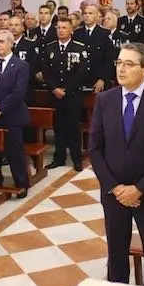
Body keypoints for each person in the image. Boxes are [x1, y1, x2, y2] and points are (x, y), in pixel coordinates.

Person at [89, 42, 144, 286]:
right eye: (119, 63)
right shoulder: (105, 100)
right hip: (114, 194)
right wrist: (115, 187)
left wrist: (139, 189)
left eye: (129, 64)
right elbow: (95, 149)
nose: (121, 69)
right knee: (116, 253)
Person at [0, 30, 30, 197]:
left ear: (11, 43)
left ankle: (21, 183)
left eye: (2, 42)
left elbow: (18, 93)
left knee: (15, 152)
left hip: (11, 116)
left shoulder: (21, 65)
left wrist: (0, 109)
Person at [41, 19, 89, 172]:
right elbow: (46, 72)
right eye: (59, 28)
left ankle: (76, 159)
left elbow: (81, 73)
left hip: (72, 95)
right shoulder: (49, 48)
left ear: (71, 31)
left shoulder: (79, 48)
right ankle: (59, 158)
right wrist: (54, 88)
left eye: (64, 28)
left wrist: (66, 90)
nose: (61, 30)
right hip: (55, 95)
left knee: (73, 128)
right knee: (58, 128)